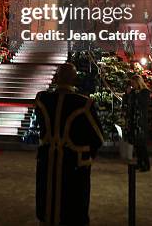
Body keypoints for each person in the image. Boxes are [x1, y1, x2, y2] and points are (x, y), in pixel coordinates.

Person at [35, 62, 104, 225]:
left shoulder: (42, 99)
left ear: (56, 78)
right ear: (74, 79)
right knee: (72, 210)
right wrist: (86, 153)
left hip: (47, 161)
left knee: (48, 204)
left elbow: (41, 126)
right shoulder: (84, 104)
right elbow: (98, 138)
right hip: (73, 164)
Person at [126, 74, 151, 172]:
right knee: (136, 143)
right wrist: (128, 94)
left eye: (133, 83)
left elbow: (143, 103)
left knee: (142, 144)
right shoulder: (133, 92)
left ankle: (146, 164)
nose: (132, 85)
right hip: (134, 120)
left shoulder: (145, 92)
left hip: (141, 121)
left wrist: (135, 93)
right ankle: (140, 162)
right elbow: (129, 103)